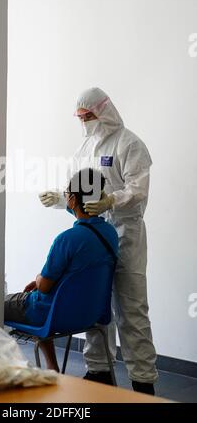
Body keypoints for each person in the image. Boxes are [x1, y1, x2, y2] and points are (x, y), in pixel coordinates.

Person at [39, 88, 158, 395]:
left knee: (131, 310)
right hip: (94, 235)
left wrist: (111, 202)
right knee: (94, 306)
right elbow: (78, 193)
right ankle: (99, 371)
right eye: (80, 118)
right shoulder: (84, 148)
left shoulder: (130, 144)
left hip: (125, 235)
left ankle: (143, 382)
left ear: (104, 111)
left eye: (88, 116)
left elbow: (138, 189)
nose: (85, 123)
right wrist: (59, 199)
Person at [5, 168, 118, 372]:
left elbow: (45, 286)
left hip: (52, 314)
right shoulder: (110, 233)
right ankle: (51, 368)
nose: (64, 196)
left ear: (73, 199)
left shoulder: (67, 239)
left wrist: (39, 279)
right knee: (40, 297)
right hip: (89, 314)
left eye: (66, 193)